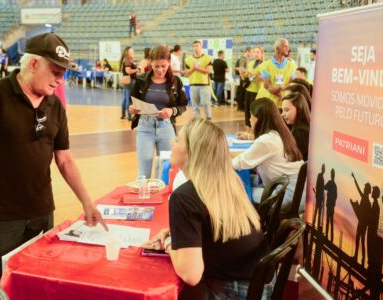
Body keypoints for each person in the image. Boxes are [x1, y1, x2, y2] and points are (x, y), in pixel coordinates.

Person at [0, 33, 107, 282]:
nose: (61, 80)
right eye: (56, 71)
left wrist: (87, 202)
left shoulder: (55, 105)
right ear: (34, 64)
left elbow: (65, 159)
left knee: (37, 279)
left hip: (41, 211)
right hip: (0, 216)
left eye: (64, 73)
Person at [143, 118, 270, 299]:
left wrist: (170, 244)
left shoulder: (184, 197)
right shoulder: (228, 182)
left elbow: (191, 275)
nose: (172, 142)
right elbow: (214, 227)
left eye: (178, 139)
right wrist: (177, 234)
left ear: (192, 151)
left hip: (232, 290)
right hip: (258, 286)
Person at [233, 98, 304, 208]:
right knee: (243, 181)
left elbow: (239, 163)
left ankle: (254, 224)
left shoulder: (266, 141)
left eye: (251, 116)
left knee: (238, 190)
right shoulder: (281, 134)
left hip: (286, 196)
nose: (249, 119)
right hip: (298, 192)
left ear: (259, 119)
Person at [130, 45, 187, 178]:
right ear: (150, 62)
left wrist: (171, 111)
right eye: (156, 66)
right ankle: (143, 198)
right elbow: (132, 102)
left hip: (166, 128)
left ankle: (163, 198)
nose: (160, 70)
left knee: (165, 171)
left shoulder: (176, 82)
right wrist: (132, 109)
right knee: (143, 173)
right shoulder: (141, 80)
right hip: (145, 128)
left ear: (169, 63)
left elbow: (183, 105)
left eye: (163, 66)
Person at [256, 38, 296, 108]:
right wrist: (278, 93)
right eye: (285, 46)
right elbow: (266, 85)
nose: (288, 49)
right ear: (277, 49)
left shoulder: (292, 65)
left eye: (288, 46)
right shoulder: (266, 64)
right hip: (268, 102)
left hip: (283, 102)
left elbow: (293, 83)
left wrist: (280, 89)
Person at [185, 40, 213, 120]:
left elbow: (209, 71)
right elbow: (186, 73)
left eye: (197, 46)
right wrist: (193, 69)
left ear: (201, 47)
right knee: (195, 106)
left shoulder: (208, 58)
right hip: (193, 86)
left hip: (204, 85)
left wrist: (198, 68)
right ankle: (197, 122)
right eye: (194, 46)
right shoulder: (188, 59)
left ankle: (209, 121)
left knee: (206, 104)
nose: (195, 48)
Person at [281, 92, 311, 161]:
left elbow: (294, 159)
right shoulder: (298, 127)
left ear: (299, 109)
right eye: (282, 110)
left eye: (286, 110)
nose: (282, 114)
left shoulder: (300, 131)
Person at [243, 46, 265, 128]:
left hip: (258, 91)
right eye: (254, 52)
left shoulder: (264, 64)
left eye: (258, 52)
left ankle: (255, 129)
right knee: (247, 110)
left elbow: (263, 79)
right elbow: (247, 77)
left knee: (255, 111)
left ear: (262, 53)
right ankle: (248, 128)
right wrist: (243, 73)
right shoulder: (251, 63)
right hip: (249, 89)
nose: (255, 54)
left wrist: (253, 74)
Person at [119, 46, 138, 120]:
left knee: (124, 98)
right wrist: (136, 70)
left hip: (126, 81)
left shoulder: (125, 60)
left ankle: (123, 114)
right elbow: (128, 71)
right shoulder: (127, 60)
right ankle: (129, 116)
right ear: (127, 52)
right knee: (128, 99)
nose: (133, 52)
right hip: (130, 81)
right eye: (131, 51)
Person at [234, 47, 253, 111]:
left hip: (243, 78)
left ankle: (240, 107)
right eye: (251, 52)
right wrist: (243, 78)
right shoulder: (243, 58)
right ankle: (240, 107)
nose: (252, 54)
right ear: (248, 51)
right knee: (241, 93)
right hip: (243, 79)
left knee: (242, 92)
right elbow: (240, 69)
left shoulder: (245, 59)